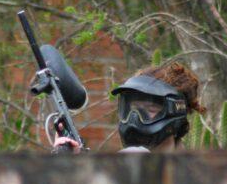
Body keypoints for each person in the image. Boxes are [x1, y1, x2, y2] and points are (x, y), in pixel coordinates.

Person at [53, 61, 204, 153]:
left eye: (150, 109)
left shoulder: (195, 177)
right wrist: (72, 165)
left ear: (175, 114)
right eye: (133, 109)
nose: (135, 118)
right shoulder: (118, 169)